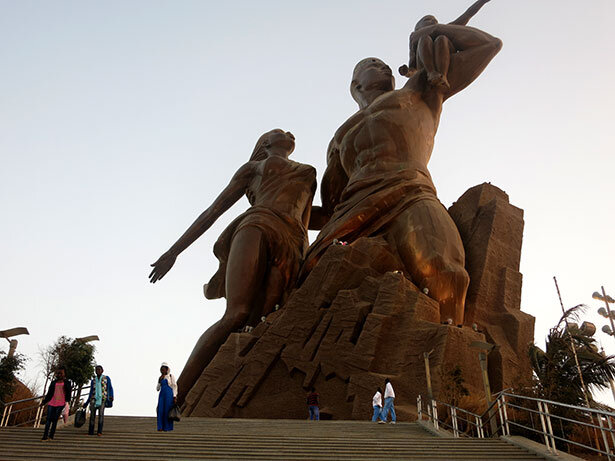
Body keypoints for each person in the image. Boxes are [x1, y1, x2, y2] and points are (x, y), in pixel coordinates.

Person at [303, 19, 502, 327]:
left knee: (445, 272)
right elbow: (329, 208)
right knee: (311, 279)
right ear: (355, 85)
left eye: (385, 65)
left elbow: (488, 45)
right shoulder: (340, 137)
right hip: (353, 212)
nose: (383, 67)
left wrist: (435, 32)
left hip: (411, 192)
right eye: (373, 64)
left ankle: (452, 362)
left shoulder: (420, 91)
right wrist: (284, 216)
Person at [149, 129, 317, 404]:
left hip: (291, 242)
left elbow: (306, 219)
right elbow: (213, 211)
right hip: (257, 225)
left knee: (266, 318)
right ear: (266, 143)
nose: (289, 133)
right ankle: (178, 398)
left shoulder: (309, 173)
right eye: (279, 131)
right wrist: (174, 252)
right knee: (236, 315)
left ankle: (236, 393)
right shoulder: (254, 168)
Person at [40, 366, 72, 441]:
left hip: (61, 403)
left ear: (64, 374)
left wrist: (67, 402)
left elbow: (69, 393)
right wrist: (44, 402)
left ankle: (51, 436)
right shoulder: (53, 383)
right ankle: (45, 436)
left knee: (54, 420)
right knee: (48, 419)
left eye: (61, 373)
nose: (59, 375)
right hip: (52, 402)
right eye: (58, 373)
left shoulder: (67, 383)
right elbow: (49, 393)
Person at [83, 365, 114, 436]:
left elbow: (110, 388)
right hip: (93, 399)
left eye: (99, 370)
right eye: (96, 370)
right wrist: (87, 402)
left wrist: (111, 396)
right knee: (92, 416)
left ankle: (99, 431)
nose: (97, 371)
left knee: (101, 415)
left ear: (102, 370)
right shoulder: (93, 380)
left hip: (103, 399)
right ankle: (90, 432)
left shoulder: (106, 378)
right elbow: (91, 391)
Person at [156, 362, 177, 432]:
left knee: (167, 410)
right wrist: (159, 381)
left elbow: (174, 386)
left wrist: (174, 396)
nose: (162, 371)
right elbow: (157, 389)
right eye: (161, 369)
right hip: (162, 395)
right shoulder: (160, 378)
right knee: (160, 410)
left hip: (169, 395)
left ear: (167, 369)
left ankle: (167, 427)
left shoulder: (171, 376)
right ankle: (160, 427)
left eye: (163, 369)